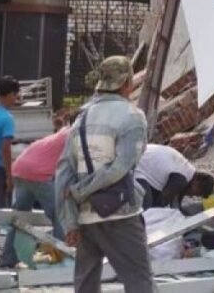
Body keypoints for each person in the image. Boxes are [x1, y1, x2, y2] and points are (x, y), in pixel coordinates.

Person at [54, 56, 154, 293]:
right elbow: (120, 169)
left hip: (86, 218)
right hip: (120, 215)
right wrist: (82, 191)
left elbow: (63, 173)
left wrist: (70, 222)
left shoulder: (81, 118)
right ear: (128, 83)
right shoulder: (132, 116)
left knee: (86, 284)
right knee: (139, 281)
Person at [0, 118, 71, 268]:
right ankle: (60, 261)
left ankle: (7, 259)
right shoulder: (74, 135)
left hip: (20, 168)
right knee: (59, 214)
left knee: (20, 218)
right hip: (37, 173)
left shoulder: (63, 132)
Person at [0, 77, 19, 262]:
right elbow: (5, 148)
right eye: (15, 96)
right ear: (8, 95)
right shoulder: (7, 117)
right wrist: (9, 175)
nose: (16, 99)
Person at [135, 144, 214, 211]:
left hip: (144, 160)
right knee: (147, 209)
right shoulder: (181, 180)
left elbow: (176, 200)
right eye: (196, 194)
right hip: (137, 164)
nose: (191, 196)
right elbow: (161, 203)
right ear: (197, 183)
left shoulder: (187, 171)